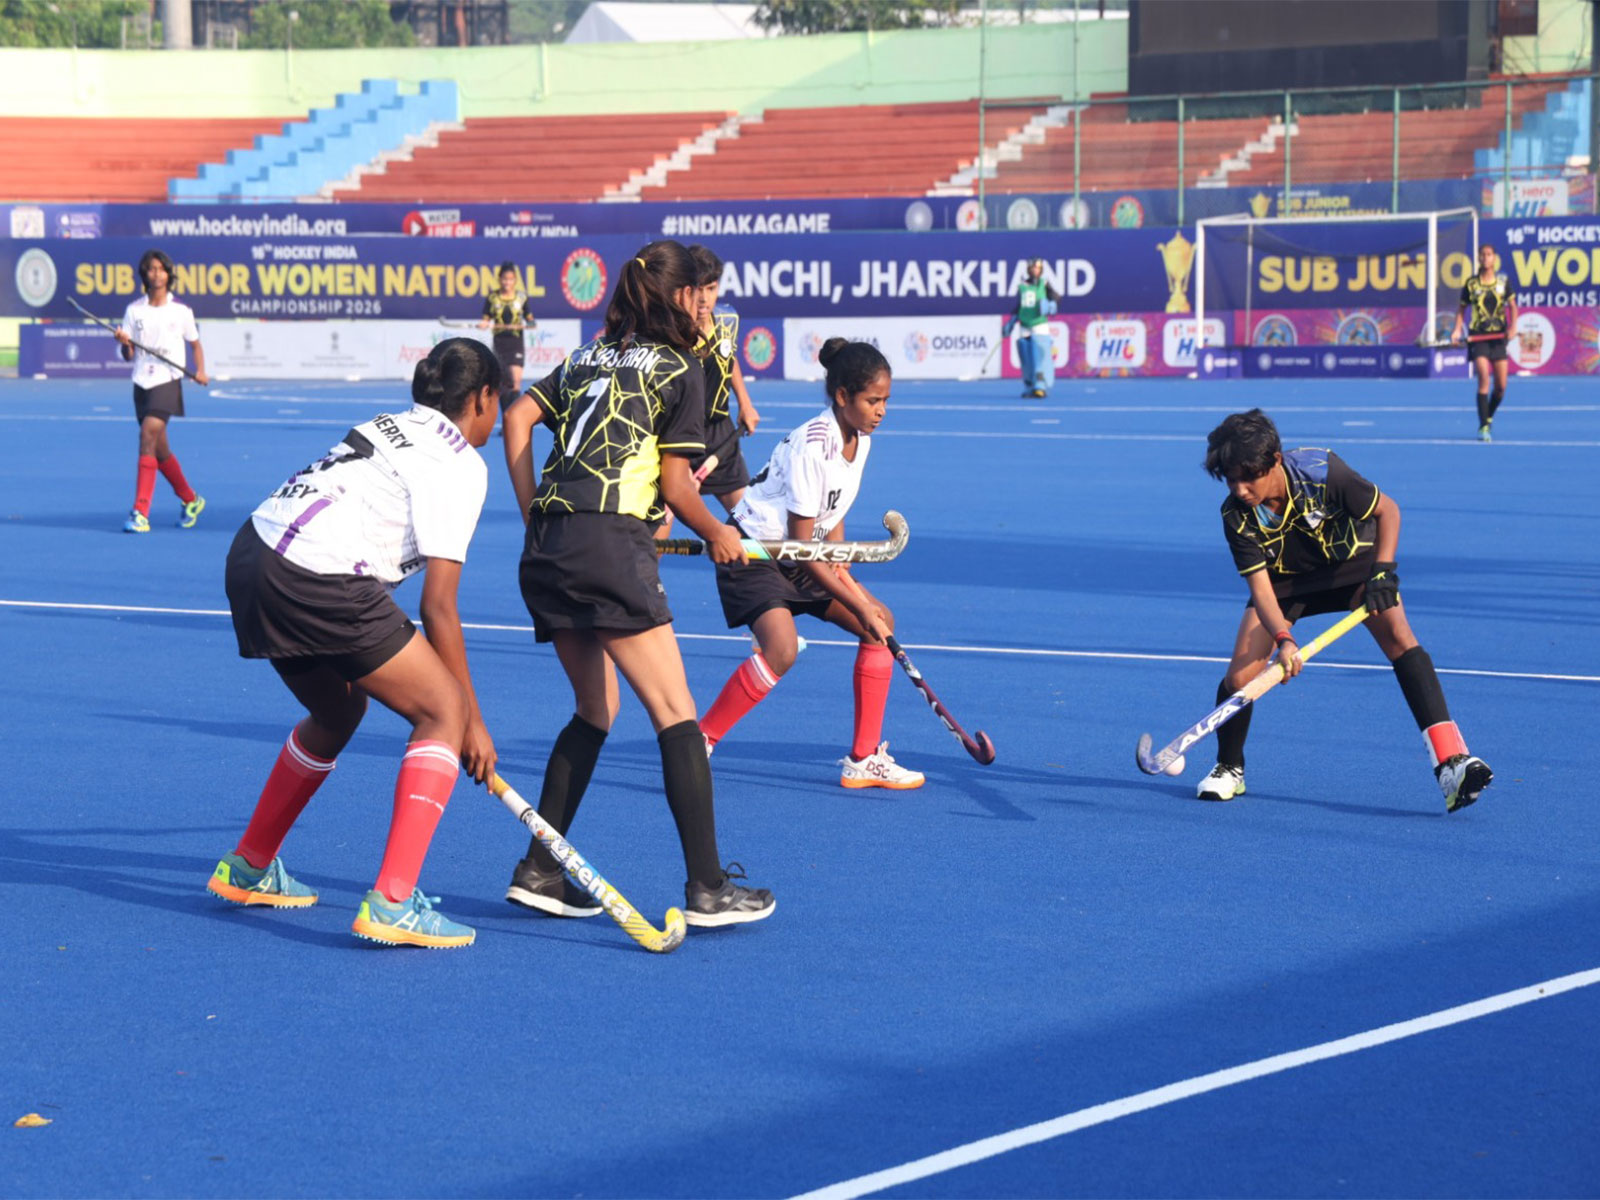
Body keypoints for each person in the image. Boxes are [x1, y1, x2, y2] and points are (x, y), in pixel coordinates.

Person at [500, 240, 774, 928]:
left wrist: (534, 507)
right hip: (610, 549)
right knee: (677, 716)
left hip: (549, 548)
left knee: (596, 709)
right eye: (702, 297)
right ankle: (708, 887)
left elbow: (517, 418)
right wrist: (717, 533)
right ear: (683, 297)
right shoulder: (679, 368)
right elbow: (679, 483)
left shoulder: (586, 356)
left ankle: (539, 868)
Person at [209, 338, 502, 948]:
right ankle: (393, 902)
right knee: (441, 710)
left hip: (251, 556)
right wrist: (468, 718)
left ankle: (249, 865)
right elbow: (439, 607)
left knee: (339, 708)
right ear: (481, 399)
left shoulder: (387, 422)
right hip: (319, 576)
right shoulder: (462, 463)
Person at [1196, 409, 1492, 813]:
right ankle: (1230, 766)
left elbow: (1388, 510)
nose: (1241, 488)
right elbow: (1261, 589)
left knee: (1401, 641)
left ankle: (1451, 763)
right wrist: (1284, 638)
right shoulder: (1236, 515)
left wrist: (1384, 571)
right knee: (1240, 676)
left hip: (1354, 569)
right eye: (1231, 479)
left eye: (1249, 477)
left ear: (1275, 461)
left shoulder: (1322, 470)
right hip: (1284, 585)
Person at [698, 338, 925, 791]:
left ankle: (863, 759)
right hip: (756, 552)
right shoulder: (812, 445)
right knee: (781, 649)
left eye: (885, 401)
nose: (881, 410)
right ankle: (699, 741)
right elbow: (803, 546)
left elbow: (830, 521)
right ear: (842, 397)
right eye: (872, 400)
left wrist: (848, 579)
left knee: (879, 622)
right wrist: (854, 600)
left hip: (802, 554)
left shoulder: (859, 441)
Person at [653, 243, 761, 540]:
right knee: (659, 531)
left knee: (754, 525)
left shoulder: (728, 321)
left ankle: (763, 583)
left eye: (711, 288)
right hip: (678, 438)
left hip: (720, 434)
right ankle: (643, 584)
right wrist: (679, 466)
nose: (704, 298)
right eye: (697, 288)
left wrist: (745, 403)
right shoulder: (670, 333)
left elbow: (729, 357)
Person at [115, 248, 208, 533]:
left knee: (147, 436)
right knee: (160, 448)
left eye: (161, 268)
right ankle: (190, 499)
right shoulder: (134, 310)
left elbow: (194, 343)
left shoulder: (181, 311)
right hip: (141, 382)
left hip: (167, 381)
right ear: (145, 274)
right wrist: (125, 342)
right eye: (151, 269)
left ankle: (140, 512)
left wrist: (200, 370)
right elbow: (127, 354)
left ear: (168, 274)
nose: (156, 273)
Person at [1451, 244, 1517, 442]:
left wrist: (1513, 327)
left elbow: (1513, 306)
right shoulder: (1471, 284)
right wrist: (1456, 330)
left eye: (1489, 255)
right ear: (1479, 258)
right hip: (1478, 337)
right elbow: (1462, 309)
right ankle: (1483, 426)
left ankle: (1488, 415)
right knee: (1484, 380)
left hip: (1498, 338)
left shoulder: (1503, 282)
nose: (1485, 258)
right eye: (1482, 255)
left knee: (1501, 387)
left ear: (1494, 258)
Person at [1003, 257, 1059, 400]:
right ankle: (1029, 384)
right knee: (1025, 353)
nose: (1036, 270)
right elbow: (1020, 305)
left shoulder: (1044, 283)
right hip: (1025, 323)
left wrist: (1051, 305)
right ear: (1029, 269)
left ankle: (1040, 384)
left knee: (1038, 352)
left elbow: (1056, 297)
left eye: (1038, 268)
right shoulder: (1023, 285)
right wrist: (1012, 320)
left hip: (1039, 323)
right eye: (1033, 268)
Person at [480, 261, 536, 404]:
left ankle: (513, 417)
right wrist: (484, 324)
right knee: (504, 384)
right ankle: (507, 416)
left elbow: (530, 320)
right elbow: (486, 318)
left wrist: (529, 324)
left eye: (511, 279)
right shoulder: (492, 298)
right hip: (499, 342)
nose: (507, 282)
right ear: (499, 279)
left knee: (516, 380)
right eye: (504, 279)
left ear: (515, 280)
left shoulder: (522, 297)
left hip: (516, 342)